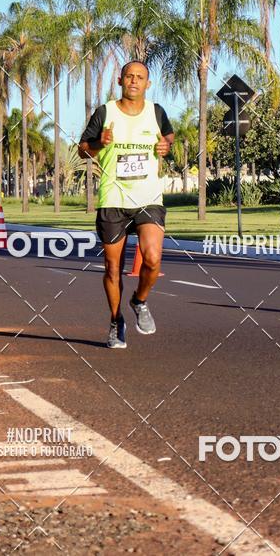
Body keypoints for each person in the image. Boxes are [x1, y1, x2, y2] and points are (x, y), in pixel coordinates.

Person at [78, 61, 174, 349]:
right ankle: (115, 320)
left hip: (148, 197)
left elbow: (168, 136)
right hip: (113, 200)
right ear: (120, 80)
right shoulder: (105, 113)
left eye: (140, 77)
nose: (134, 81)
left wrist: (166, 146)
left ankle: (139, 301)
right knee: (112, 268)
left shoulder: (156, 111)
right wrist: (99, 142)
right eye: (129, 76)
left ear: (148, 83)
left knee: (153, 257)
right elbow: (83, 149)